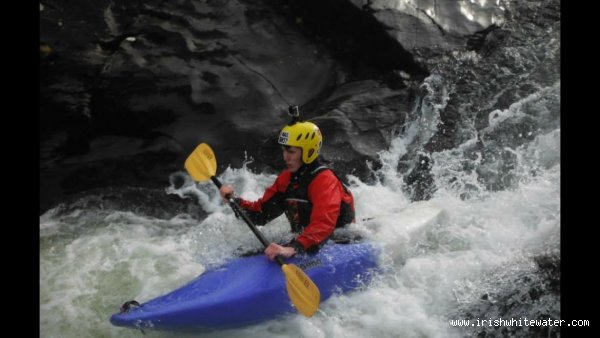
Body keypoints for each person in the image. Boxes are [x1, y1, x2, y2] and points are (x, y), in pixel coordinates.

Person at [219, 119, 355, 261]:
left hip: (337, 242)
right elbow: (261, 214)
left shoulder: (325, 180)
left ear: (308, 152)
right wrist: (234, 200)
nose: (285, 157)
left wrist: (294, 248)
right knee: (243, 252)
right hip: (305, 242)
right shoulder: (286, 179)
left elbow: (323, 223)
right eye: (284, 150)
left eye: (291, 152)